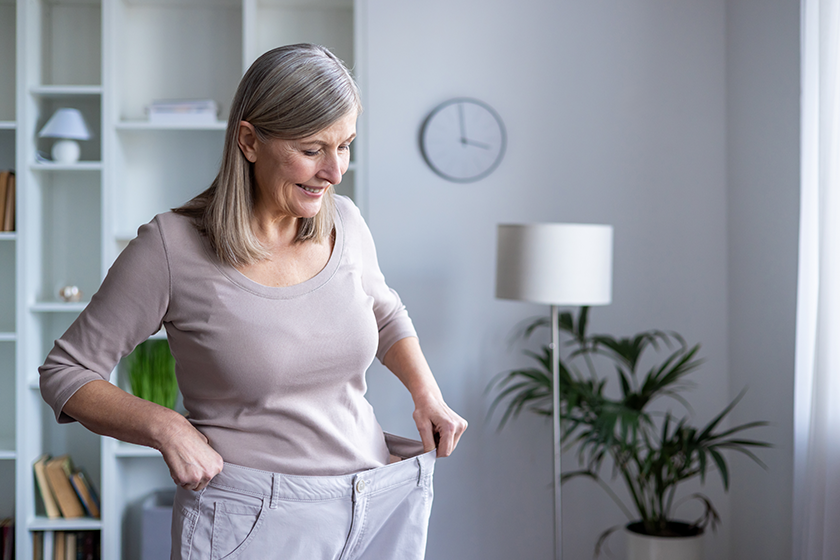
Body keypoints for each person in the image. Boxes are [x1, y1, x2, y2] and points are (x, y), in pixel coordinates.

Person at [39, 43, 467, 560]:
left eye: (346, 145)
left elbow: (384, 309)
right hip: (252, 523)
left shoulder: (346, 222)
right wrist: (165, 426)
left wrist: (427, 393)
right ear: (249, 140)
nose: (335, 172)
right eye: (312, 150)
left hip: (376, 506)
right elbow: (66, 371)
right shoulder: (171, 247)